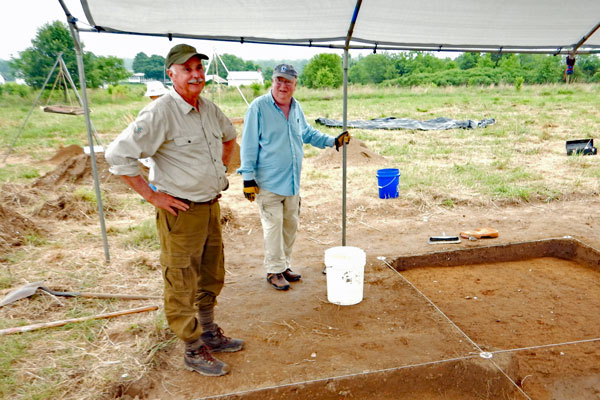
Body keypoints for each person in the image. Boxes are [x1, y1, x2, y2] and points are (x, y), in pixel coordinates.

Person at [105, 43, 242, 377]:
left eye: (199, 68)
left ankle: (209, 331)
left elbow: (229, 136)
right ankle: (193, 349)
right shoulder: (159, 113)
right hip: (180, 213)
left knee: (211, 273)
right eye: (187, 69)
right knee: (181, 280)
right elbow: (117, 156)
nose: (195, 74)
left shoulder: (207, 108)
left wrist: (221, 169)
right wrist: (153, 196)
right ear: (171, 73)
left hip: (210, 208)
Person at [237, 64, 350, 291]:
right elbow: (248, 144)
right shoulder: (258, 108)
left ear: (295, 85)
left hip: (291, 182)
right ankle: (274, 270)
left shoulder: (296, 108)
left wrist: (332, 141)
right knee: (273, 226)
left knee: (290, 225)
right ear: (272, 81)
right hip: (267, 183)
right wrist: (247, 178)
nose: (283, 85)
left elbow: (307, 133)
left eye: (288, 81)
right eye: (279, 80)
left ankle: (284, 265)